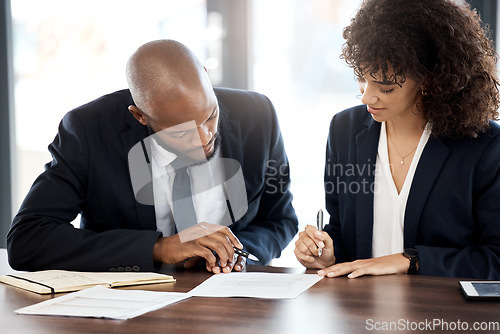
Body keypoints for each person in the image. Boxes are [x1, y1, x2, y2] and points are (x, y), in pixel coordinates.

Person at [7, 39, 298, 274]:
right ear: (140, 116)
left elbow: (280, 219)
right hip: (129, 310)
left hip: (230, 304)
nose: (205, 138)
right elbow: (28, 239)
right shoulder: (88, 131)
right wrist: (159, 248)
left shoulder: (258, 116)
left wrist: (232, 254)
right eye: (182, 133)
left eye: (211, 117)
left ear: (207, 80)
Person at [295, 0, 500, 279]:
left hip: (442, 315)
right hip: (360, 314)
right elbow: (343, 233)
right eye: (362, 79)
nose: (367, 97)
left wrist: (409, 260)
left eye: (385, 86)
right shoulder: (345, 130)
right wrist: (327, 254)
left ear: (428, 79)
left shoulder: (485, 146)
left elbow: (494, 258)